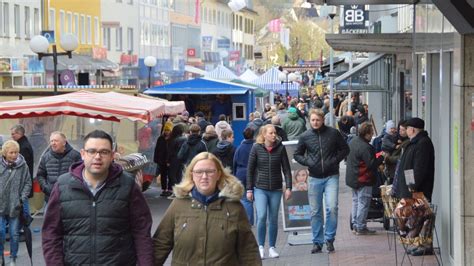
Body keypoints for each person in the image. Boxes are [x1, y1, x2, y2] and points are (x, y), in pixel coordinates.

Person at [42, 130, 153, 265]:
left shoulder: (128, 186)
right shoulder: (63, 186)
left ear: (112, 155)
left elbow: (142, 232)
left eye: (104, 152)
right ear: (83, 154)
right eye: (92, 151)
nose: (97, 157)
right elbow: (51, 234)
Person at [153, 152, 261, 265]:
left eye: (210, 172)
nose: (204, 176)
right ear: (192, 175)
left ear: (218, 174)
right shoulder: (179, 204)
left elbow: (248, 249)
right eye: (199, 172)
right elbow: (161, 244)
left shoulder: (233, 207)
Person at [294, 108, 349, 253]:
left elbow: (345, 149)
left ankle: (329, 239)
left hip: (331, 176)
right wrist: (308, 162)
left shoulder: (333, 133)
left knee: (332, 208)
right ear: (309, 121)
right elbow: (297, 154)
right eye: (312, 120)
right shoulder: (305, 136)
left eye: (317, 120)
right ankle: (317, 242)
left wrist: (335, 161)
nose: (315, 122)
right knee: (315, 211)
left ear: (323, 120)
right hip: (314, 177)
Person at [247, 124, 292, 259]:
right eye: (271, 133)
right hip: (260, 187)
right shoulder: (256, 148)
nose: (274, 135)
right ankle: (261, 246)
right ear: (264, 135)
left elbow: (286, 169)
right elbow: (250, 169)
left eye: (275, 133)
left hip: (276, 188)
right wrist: (249, 189)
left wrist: (289, 187)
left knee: (273, 218)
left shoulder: (281, 148)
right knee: (261, 217)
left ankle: (272, 247)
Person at [394, 117, 435, 256]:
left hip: (418, 191)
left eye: (407, 129)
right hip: (412, 189)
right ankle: (420, 243)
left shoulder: (422, 143)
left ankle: (422, 243)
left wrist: (412, 187)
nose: (406, 131)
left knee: (420, 215)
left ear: (412, 129)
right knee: (418, 216)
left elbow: (419, 168)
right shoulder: (414, 143)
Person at [345, 123, 385, 235]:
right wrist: (381, 157)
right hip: (363, 178)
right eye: (371, 133)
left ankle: (355, 224)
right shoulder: (366, 147)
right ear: (367, 134)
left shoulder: (353, 141)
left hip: (353, 178)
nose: (372, 134)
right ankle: (361, 226)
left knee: (356, 201)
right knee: (363, 203)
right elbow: (371, 164)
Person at [0, 140, 32, 266]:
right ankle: (1, 257)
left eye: (16, 152)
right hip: (0, 206)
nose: (14, 155)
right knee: (1, 233)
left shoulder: (23, 165)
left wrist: (21, 199)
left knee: (14, 234)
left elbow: (28, 183)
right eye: (11, 152)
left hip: (15, 206)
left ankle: (13, 258)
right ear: (5, 152)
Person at [36, 131, 82, 204]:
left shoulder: (75, 156)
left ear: (64, 142)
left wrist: (72, 188)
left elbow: (81, 175)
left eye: (56, 141)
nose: (53, 143)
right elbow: (40, 175)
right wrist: (46, 188)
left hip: (70, 199)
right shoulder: (46, 157)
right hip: (50, 198)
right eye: (51, 141)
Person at [233, 127, 255, 225]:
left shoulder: (239, 148)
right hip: (255, 173)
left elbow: (234, 163)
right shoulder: (256, 147)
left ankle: (249, 222)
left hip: (241, 175)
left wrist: (234, 176)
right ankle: (260, 221)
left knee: (246, 200)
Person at [154, 121, 173, 197]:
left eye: (168, 130)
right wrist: (156, 158)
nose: (166, 132)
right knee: (163, 175)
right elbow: (157, 149)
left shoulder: (173, 139)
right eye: (165, 130)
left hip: (170, 160)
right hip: (162, 159)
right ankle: (164, 189)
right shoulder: (160, 138)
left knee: (170, 175)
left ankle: (169, 189)